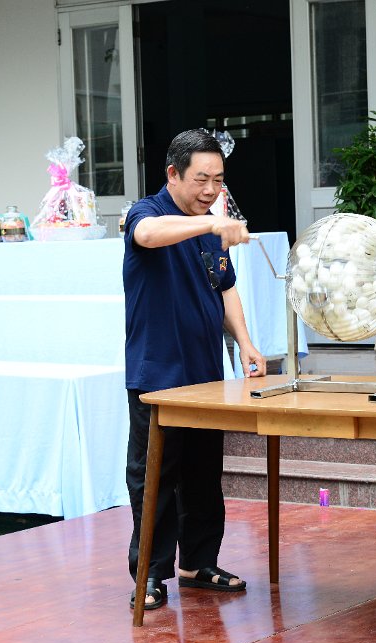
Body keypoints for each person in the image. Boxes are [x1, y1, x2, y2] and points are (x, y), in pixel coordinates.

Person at [122, 128, 267, 610]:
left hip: (205, 373)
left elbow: (224, 286)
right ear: (173, 174)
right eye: (201, 179)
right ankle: (149, 574)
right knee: (155, 476)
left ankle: (199, 562)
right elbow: (146, 235)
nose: (210, 190)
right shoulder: (147, 212)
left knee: (204, 474)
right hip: (158, 374)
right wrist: (208, 224)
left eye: (218, 180)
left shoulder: (209, 225)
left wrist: (245, 342)